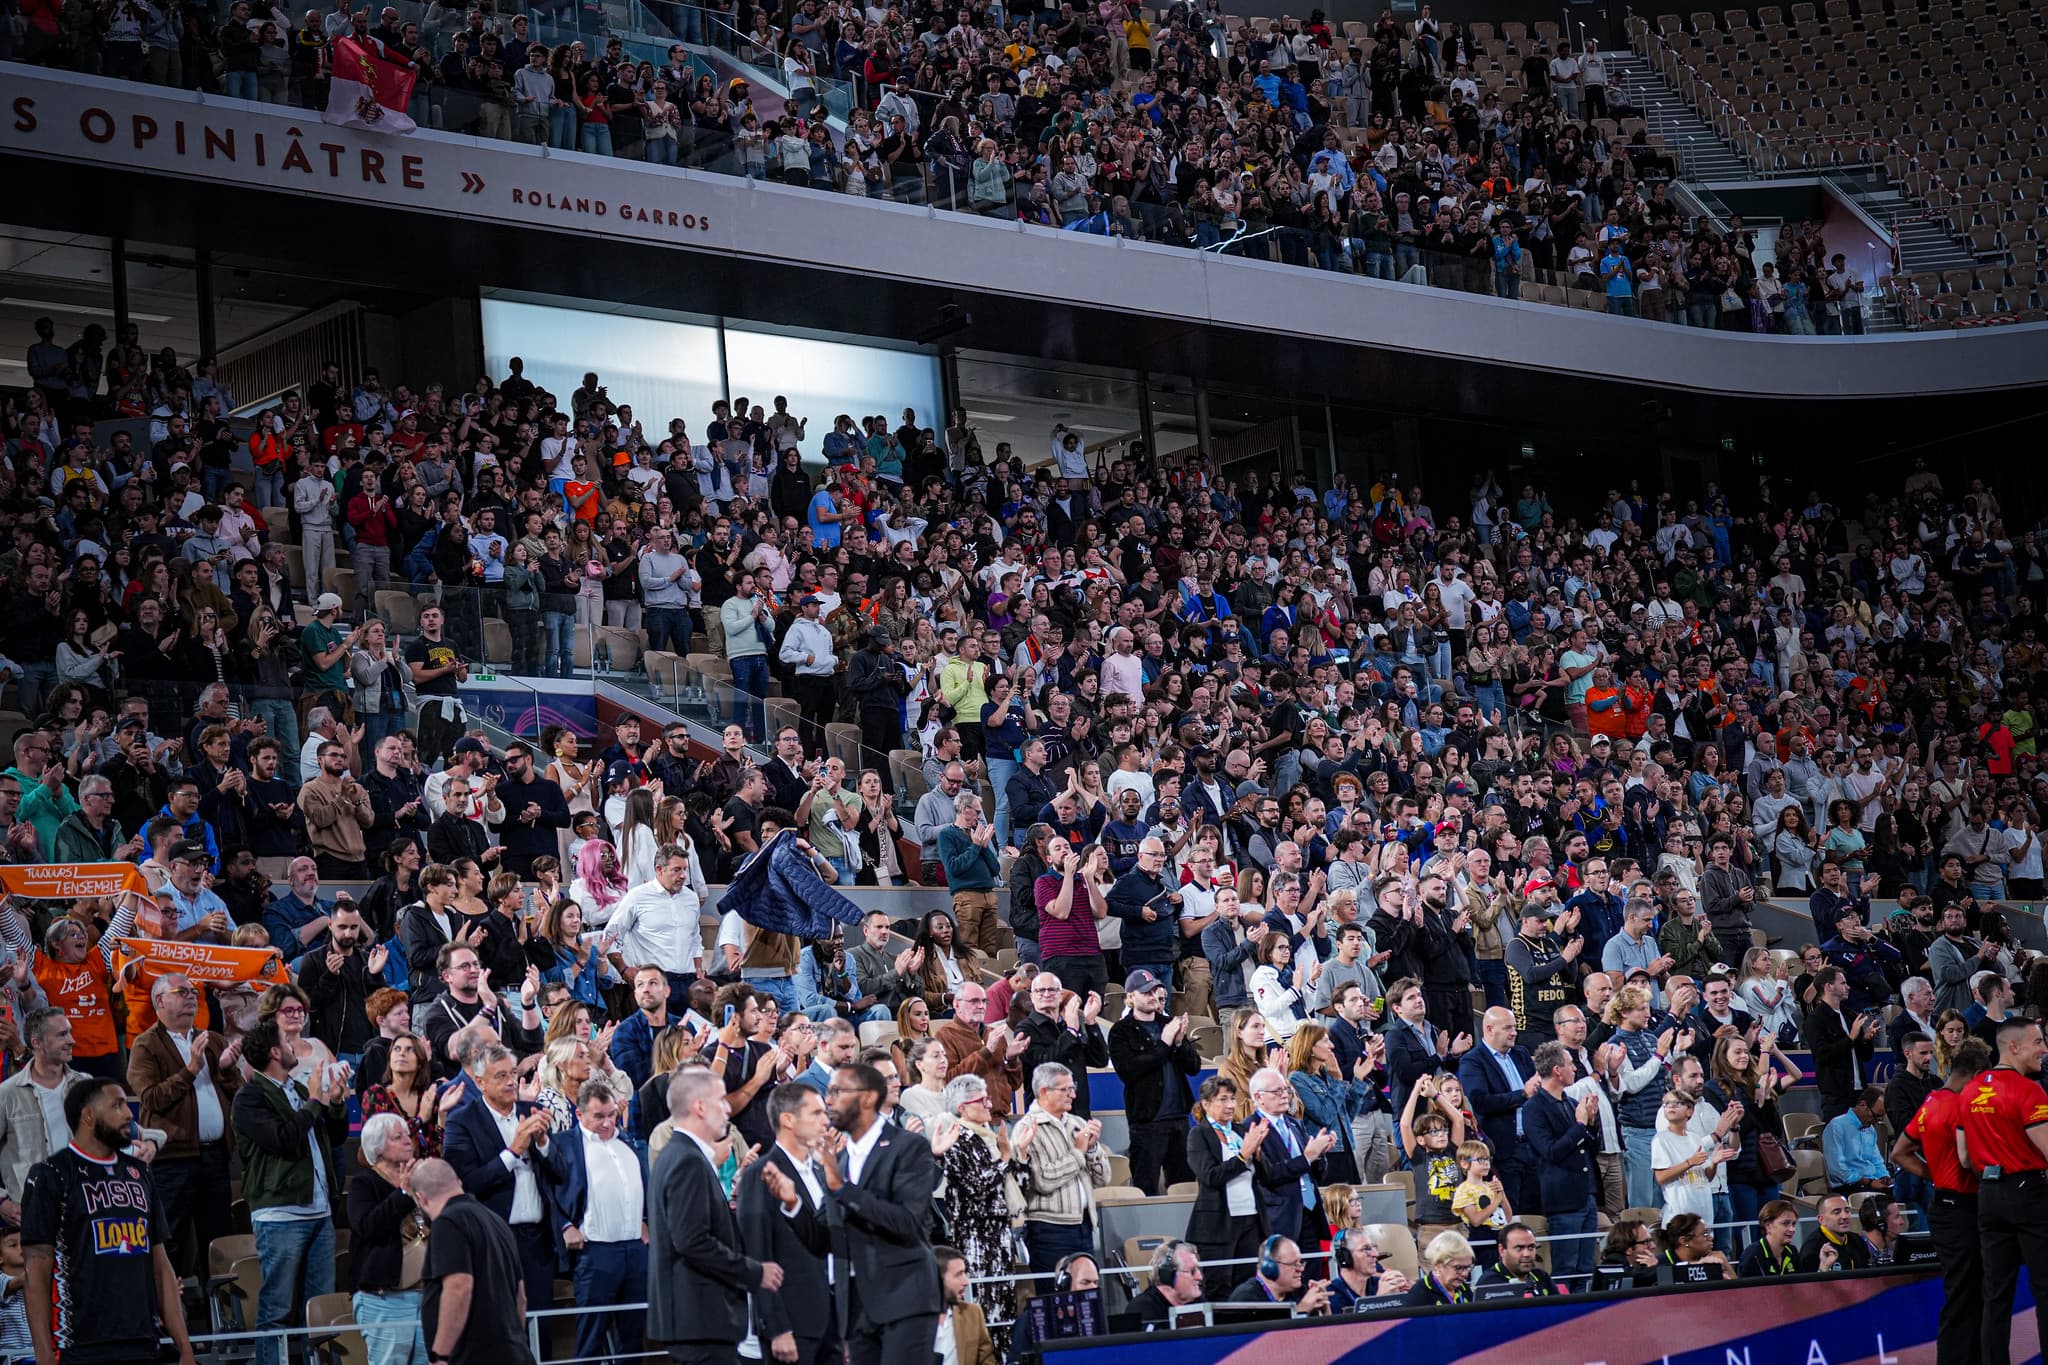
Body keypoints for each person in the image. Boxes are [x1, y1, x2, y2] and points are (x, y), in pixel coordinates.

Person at [20, 1076, 197, 1365]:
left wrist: (185, 1346)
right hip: (80, 1344)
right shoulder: (51, 1174)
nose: (129, 1114)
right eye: (117, 1105)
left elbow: (161, 1266)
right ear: (88, 1115)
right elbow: (36, 1271)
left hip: (143, 1340)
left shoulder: (141, 1174)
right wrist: (43, 1353)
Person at [646, 1068, 782, 1365]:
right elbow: (692, 1241)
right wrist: (754, 1271)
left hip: (697, 1318)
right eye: (721, 1100)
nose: (728, 1108)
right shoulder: (687, 1161)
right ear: (699, 1107)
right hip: (698, 1315)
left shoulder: (682, 1155)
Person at [232, 1017, 345, 1365]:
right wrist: (314, 1100)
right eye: (286, 1039)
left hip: (319, 1211)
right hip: (280, 1215)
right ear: (273, 1051)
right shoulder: (250, 1097)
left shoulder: (296, 1089)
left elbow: (334, 1138)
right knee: (276, 1308)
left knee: (320, 1308)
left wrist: (335, 1103)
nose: (294, 1045)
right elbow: (283, 1139)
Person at [816, 1061, 942, 1365]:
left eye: (837, 1091)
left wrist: (841, 1189)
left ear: (869, 1098)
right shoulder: (840, 1160)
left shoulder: (909, 1147)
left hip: (904, 1297)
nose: (828, 1100)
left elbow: (908, 1222)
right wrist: (791, 1205)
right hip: (856, 1303)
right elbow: (826, 1229)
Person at [126, 972, 246, 1273]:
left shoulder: (213, 1039)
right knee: (172, 1242)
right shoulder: (146, 1045)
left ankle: (219, 1312)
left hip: (216, 1157)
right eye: (181, 991)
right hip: (172, 1162)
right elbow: (151, 1099)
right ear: (159, 1001)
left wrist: (228, 1071)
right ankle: (171, 1312)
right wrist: (191, 1069)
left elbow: (238, 1094)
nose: (191, 996)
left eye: (193, 991)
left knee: (217, 1241)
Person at [442, 1042, 561, 1315]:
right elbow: (465, 1183)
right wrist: (512, 1152)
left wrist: (543, 1144)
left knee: (539, 1327)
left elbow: (561, 1174)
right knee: (500, 1325)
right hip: (493, 1241)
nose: (511, 1082)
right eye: (501, 1076)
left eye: (512, 1074)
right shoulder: (462, 1121)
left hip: (538, 1241)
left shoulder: (530, 1111)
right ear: (480, 1082)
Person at [1893, 1036, 1991, 1365]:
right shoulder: (1963, 1106)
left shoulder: (1932, 1101)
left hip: (1945, 1205)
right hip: (1964, 1207)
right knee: (1968, 1296)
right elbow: (1972, 1162)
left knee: (1963, 1295)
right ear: (1976, 1073)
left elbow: (1899, 1152)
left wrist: (1932, 1173)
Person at [1961, 1016, 2048, 1365]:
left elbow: (1965, 1157)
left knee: (1995, 1295)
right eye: (2038, 1042)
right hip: (2028, 1193)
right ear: (2014, 1046)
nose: (2043, 1049)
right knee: (2045, 1290)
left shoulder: (1970, 1090)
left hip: (1989, 1194)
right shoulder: (2029, 1090)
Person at [735, 1085, 838, 1365]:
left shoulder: (822, 1169)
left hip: (834, 1319)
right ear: (788, 1120)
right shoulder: (762, 1173)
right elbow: (757, 1254)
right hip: (794, 1322)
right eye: (816, 1113)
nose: (825, 1121)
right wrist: (777, 1327)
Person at [551, 1081, 648, 1365]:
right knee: (591, 1338)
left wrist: (645, 1222)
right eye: (599, 1116)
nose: (607, 1123)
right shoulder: (564, 1144)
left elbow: (644, 1185)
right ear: (579, 1115)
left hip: (635, 1251)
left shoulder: (628, 1141)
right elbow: (547, 1193)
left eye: (611, 1115)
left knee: (633, 1337)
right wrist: (565, 1226)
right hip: (595, 1252)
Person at [411, 1157, 539, 1365]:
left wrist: (441, 1355)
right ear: (459, 1183)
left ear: (421, 1198)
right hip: (516, 1354)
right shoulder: (497, 1222)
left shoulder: (448, 1222)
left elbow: (459, 1287)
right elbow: (520, 1297)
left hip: (473, 1357)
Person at [346, 1112, 431, 1365]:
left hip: (426, 1293)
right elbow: (368, 1226)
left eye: (408, 1135)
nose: (409, 1140)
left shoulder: (420, 1181)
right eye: (398, 1137)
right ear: (378, 1148)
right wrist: (403, 1193)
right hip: (384, 1297)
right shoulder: (364, 1184)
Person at [1108, 968, 1201, 1195]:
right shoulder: (1121, 1032)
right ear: (1130, 997)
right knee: (1145, 1187)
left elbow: (1194, 1066)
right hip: (1147, 1122)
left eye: (1154, 991)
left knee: (1184, 1186)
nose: (1152, 997)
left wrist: (1179, 1044)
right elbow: (1129, 1071)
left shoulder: (1169, 1023)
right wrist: (1165, 1044)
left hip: (1180, 1119)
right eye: (1145, 992)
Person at [1013, 1062, 1111, 1274]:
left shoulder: (1077, 1122)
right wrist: (1078, 1152)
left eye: (1073, 1088)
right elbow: (1043, 1181)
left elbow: (1104, 1179)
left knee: (1086, 1298)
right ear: (1044, 1091)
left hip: (1084, 1225)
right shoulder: (1027, 1129)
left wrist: (1093, 1149)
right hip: (1049, 1231)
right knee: (1055, 1298)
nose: (1073, 1095)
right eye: (1066, 1089)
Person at [1521, 1039, 1603, 1285]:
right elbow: (1551, 1151)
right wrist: (1579, 1125)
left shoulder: (1569, 1102)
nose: (1575, 1069)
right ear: (1557, 1070)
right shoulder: (1534, 1108)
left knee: (1587, 1267)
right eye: (1570, 1064)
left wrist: (1592, 1121)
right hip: (1563, 1200)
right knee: (1566, 1268)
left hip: (1586, 1195)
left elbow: (1591, 1147)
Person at [1228, 1233, 1330, 1312]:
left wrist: (1325, 1309)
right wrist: (1301, 1310)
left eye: (1301, 1262)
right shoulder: (1245, 1299)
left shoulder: (1300, 1292)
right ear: (1270, 1267)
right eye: (1293, 1264)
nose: (1301, 1269)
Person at [1823, 1085, 1894, 1193]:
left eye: (1881, 1117)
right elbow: (1837, 1170)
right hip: (1849, 1186)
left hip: (1871, 1183)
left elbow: (1877, 1161)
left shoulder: (1870, 1129)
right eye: (1875, 1115)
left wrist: (1884, 1177)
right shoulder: (1837, 1126)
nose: (1877, 1120)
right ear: (1863, 1105)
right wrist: (1867, 1182)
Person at [935, 1245, 998, 1365]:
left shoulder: (972, 1313)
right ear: (937, 1279)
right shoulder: (910, 1320)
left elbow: (986, 1359)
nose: (966, 1282)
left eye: (965, 1274)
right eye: (958, 1275)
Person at [1129, 1239, 1206, 1325]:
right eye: (1192, 1271)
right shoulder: (1142, 1308)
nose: (1199, 1277)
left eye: (1198, 1270)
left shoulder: (1199, 1302)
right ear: (1168, 1275)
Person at [1473, 1221, 1561, 1296]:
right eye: (1519, 1248)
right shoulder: (1489, 1283)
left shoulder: (1541, 1276)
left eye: (1531, 1248)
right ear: (1502, 1250)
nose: (1526, 1254)